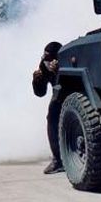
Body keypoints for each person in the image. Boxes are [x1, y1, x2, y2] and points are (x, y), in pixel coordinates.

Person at [32, 41, 63, 175]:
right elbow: (40, 93)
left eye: (50, 59)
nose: (47, 62)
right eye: (45, 58)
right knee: (52, 118)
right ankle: (57, 159)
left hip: (73, 93)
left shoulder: (65, 62)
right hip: (58, 95)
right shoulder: (44, 64)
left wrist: (59, 73)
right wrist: (37, 81)